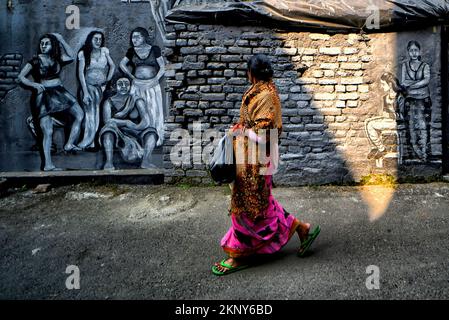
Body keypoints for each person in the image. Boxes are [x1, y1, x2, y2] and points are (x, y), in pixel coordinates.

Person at [212, 54, 321, 276]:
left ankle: (238, 254)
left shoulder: (267, 96)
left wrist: (242, 131)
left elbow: (265, 136)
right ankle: (302, 228)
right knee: (263, 203)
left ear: (251, 73)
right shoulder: (259, 90)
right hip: (248, 158)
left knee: (247, 208)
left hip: (258, 161)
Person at [18, 33, 84, 171]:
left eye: (46, 43)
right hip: (44, 96)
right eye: (41, 43)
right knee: (47, 131)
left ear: (52, 45)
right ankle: (48, 164)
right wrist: (34, 85)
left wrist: (61, 39)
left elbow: (71, 56)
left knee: (79, 114)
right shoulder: (35, 61)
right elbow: (21, 77)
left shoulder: (57, 58)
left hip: (60, 93)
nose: (43, 46)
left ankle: (69, 144)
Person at [119, 27, 165, 166]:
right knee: (137, 112)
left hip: (151, 85)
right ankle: (140, 139)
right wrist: (131, 76)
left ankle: (155, 138)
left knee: (153, 111)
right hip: (137, 85)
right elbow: (122, 64)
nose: (135, 40)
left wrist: (156, 78)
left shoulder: (154, 49)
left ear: (144, 37)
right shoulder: (131, 51)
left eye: (137, 37)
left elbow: (162, 66)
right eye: (133, 37)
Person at [99, 76, 158, 170]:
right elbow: (108, 121)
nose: (123, 86)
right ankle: (109, 163)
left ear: (130, 86)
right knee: (107, 131)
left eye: (126, 84)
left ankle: (146, 161)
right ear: (113, 87)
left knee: (151, 133)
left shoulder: (136, 99)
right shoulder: (109, 102)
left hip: (135, 129)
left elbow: (146, 121)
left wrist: (132, 126)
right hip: (117, 131)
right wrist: (126, 122)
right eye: (120, 84)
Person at [77, 30, 115, 150]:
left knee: (97, 114)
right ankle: (86, 141)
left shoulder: (104, 51)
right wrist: (85, 92)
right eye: (95, 39)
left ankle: (93, 142)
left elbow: (112, 66)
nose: (98, 41)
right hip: (88, 87)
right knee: (89, 115)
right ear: (90, 40)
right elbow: (81, 74)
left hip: (101, 88)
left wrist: (107, 81)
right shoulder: (84, 53)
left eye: (100, 39)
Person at [400, 40, 432, 162]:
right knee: (411, 127)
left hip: (423, 100)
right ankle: (415, 154)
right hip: (410, 100)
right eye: (411, 50)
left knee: (423, 127)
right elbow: (403, 82)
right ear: (408, 52)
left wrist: (411, 85)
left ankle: (424, 154)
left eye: (416, 50)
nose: (414, 53)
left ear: (419, 51)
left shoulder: (425, 66)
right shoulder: (405, 66)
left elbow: (426, 81)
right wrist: (416, 84)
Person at [365, 72, 405, 160]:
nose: (382, 87)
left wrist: (392, 114)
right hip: (388, 120)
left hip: (397, 122)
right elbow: (384, 113)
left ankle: (381, 148)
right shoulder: (385, 97)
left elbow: (402, 116)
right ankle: (375, 148)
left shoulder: (400, 98)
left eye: (383, 84)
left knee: (370, 125)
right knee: (367, 121)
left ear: (390, 84)